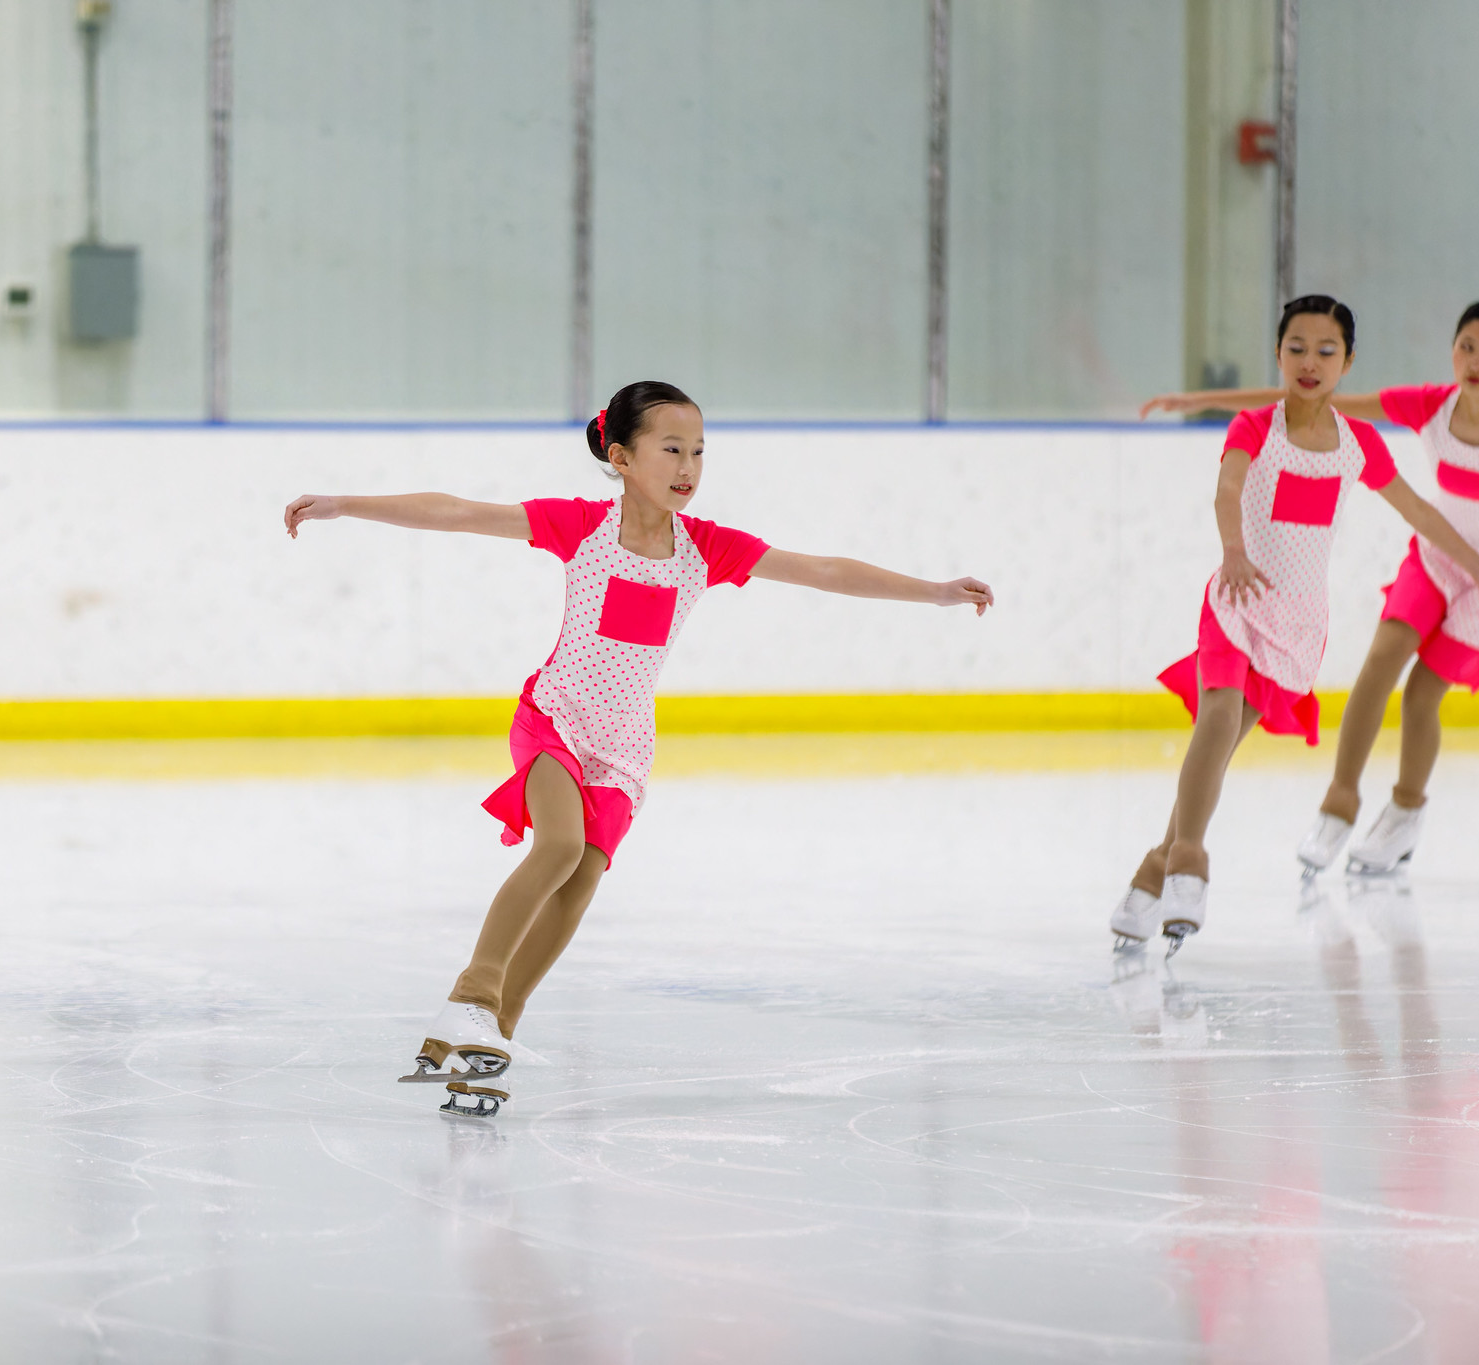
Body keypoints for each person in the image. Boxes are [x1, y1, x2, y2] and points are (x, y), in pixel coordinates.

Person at [283, 380, 993, 1117]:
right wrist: (345, 503)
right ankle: (471, 994)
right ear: (621, 456)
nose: (688, 465)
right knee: (558, 845)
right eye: (671, 448)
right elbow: (458, 512)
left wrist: (936, 592)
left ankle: (485, 1043)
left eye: (698, 451)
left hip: (622, 747)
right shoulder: (580, 528)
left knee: (582, 877)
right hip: (556, 718)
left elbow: (824, 570)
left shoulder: (707, 548)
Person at [1112, 297, 1479, 955]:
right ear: (1278, 354)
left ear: (1348, 362)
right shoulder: (1254, 425)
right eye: (1296, 347)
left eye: (1326, 350)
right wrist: (1233, 551)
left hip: (1295, 624)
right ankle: (1190, 858)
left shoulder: (1358, 443)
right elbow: (1227, 490)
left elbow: (1419, 511)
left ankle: (1154, 866)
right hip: (1235, 596)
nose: (1310, 362)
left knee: (1220, 748)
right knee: (1215, 717)